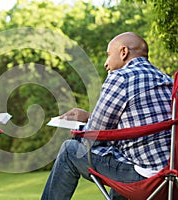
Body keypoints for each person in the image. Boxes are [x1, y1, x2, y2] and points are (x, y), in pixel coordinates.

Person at [41, 32, 173, 200]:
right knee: (120, 156)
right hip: (170, 176)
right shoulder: (166, 79)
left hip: (145, 178)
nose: (105, 63)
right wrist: (89, 117)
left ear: (123, 52)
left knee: (70, 150)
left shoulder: (121, 77)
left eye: (109, 55)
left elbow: (94, 135)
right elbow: (140, 126)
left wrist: (80, 130)